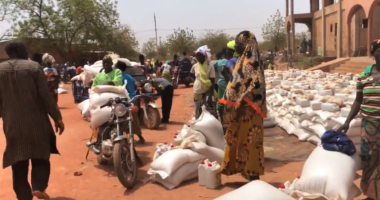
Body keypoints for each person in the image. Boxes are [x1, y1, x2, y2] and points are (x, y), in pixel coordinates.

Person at [0, 41, 64, 199]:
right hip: (37, 122)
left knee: (18, 161)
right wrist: (57, 117)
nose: (27, 52)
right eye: (25, 49)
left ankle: (24, 196)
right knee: (40, 156)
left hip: (12, 125)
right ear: (18, 50)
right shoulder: (34, 68)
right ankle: (38, 186)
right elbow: (46, 97)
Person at [218, 31, 266, 181]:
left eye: (237, 43)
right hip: (243, 111)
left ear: (245, 44)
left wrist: (239, 99)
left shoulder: (251, 62)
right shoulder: (244, 60)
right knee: (241, 141)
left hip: (249, 112)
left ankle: (254, 177)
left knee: (251, 143)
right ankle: (247, 173)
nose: (236, 46)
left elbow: (256, 86)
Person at [337, 39, 380, 200]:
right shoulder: (363, 77)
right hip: (368, 125)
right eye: (379, 49)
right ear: (373, 53)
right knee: (368, 159)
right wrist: (347, 122)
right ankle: (370, 192)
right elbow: (358, 101)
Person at [114, 60, 145, 143]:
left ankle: (139, 138)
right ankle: (136, 137)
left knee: (130, 120)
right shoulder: (129, 76)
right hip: (133, 98)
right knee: (132, 119)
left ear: (118, 68)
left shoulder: (119, 77)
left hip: (127, 100)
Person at [191, 45, 216, 119]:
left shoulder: (210, 66)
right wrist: (197, 81)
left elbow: (212, 81)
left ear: (204, 56)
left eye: (199, 56)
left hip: (207, 91)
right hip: (197, 90)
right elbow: (191, 75)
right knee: (197, 109)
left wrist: (211, 95)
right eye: (196, 56)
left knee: (207, 111)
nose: (198, 58)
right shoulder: (195, 66)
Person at [214, 51, 228, 123]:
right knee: (228, 99)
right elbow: (224, 69)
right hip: (225, 81)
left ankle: (222, 120)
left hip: (219, 82)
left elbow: (213, 67)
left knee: (220, 101)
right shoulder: (225, 60)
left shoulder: (216, 62)